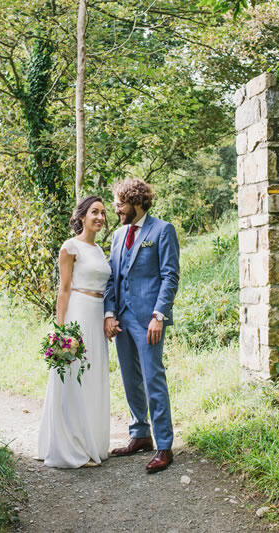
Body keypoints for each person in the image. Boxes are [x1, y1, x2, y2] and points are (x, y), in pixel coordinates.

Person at [103, 179, 180, 473]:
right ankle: (140, 434)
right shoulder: (119, 234)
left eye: (120, 205)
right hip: (121, 318)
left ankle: (163, 445)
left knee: (153, 379)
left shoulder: (162, 230)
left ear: (136, 202)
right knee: (129, 379)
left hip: (149, 320)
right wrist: (109, 313)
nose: (116, 210)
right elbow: (112, 278)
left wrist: (159, 315)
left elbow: (169, 276)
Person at [38, 196, 112, 468]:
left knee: (93, 377)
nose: (100, 217)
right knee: (74, 377)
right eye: (95, 212)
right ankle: (71, 447)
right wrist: (61, 330)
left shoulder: (101, 251)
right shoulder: (70, 247)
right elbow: (64, 289)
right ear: (81, 216)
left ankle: (91, 441)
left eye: (103, 213)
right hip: (78, 314)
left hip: (97, 315)